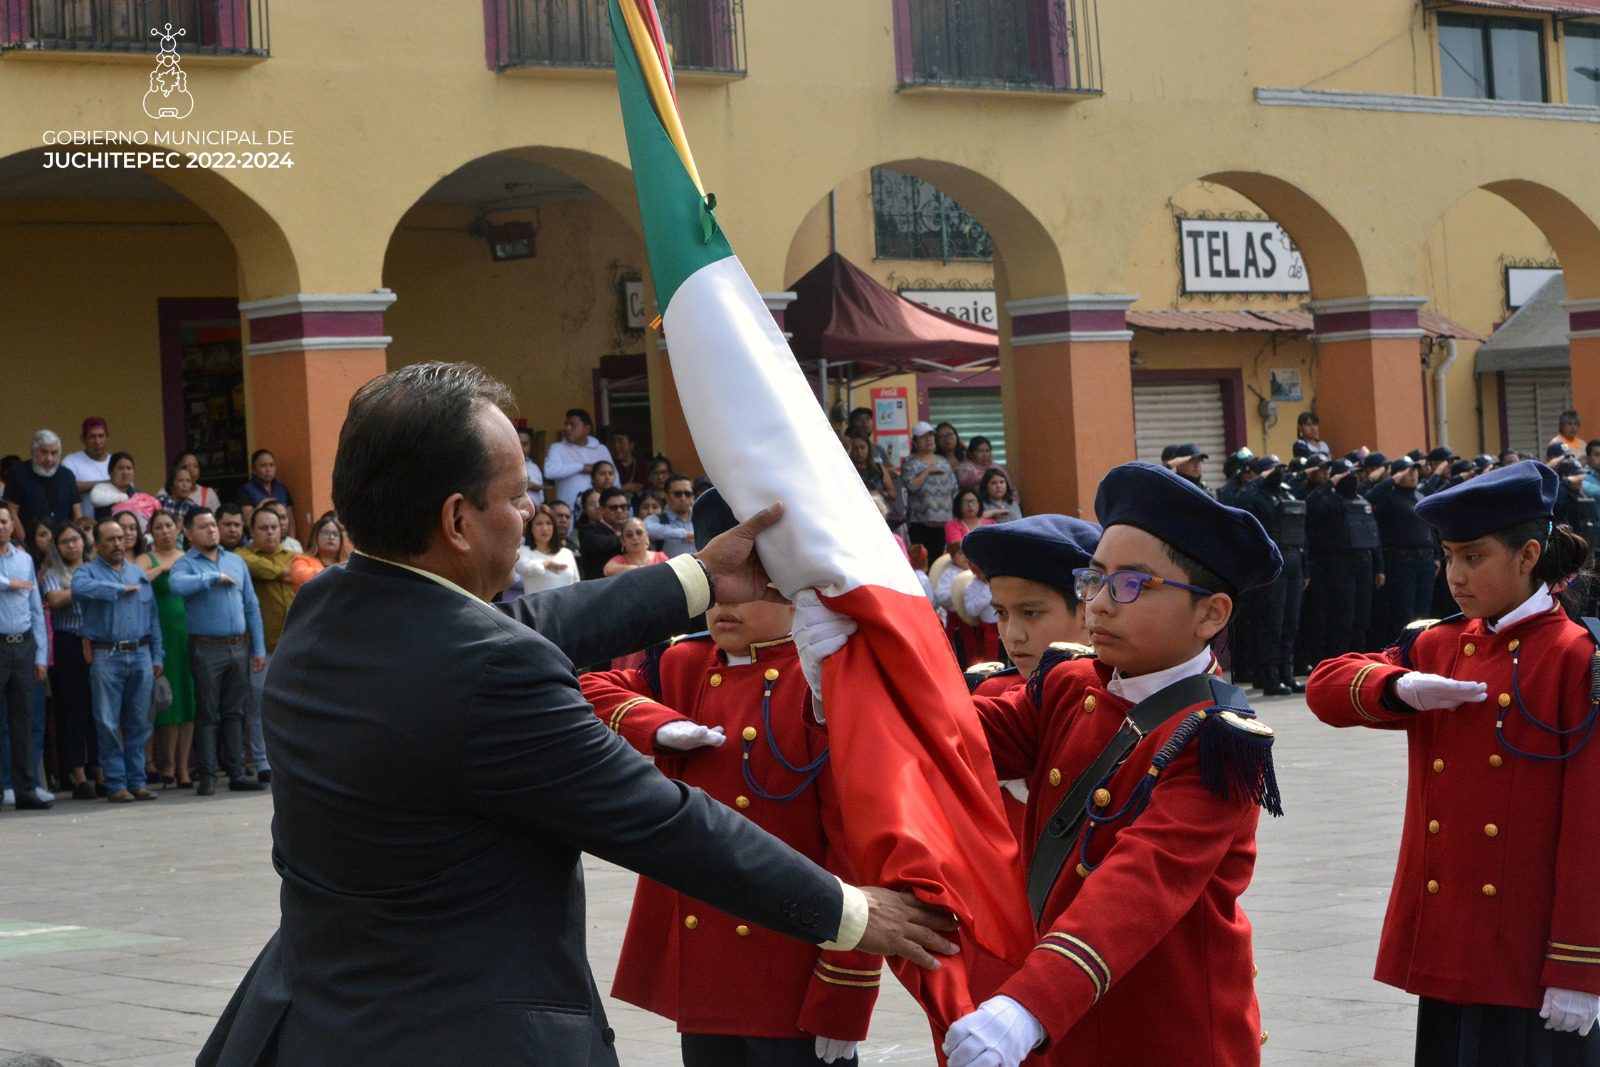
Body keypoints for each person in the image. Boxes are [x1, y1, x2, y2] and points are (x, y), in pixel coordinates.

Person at [197, 361, 958, 1066]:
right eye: (519, 494)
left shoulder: (330, 609)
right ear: (459, 520)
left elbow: (524, 628)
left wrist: (698, 576)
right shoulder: (487, 671)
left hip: (315, 1020)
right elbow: (664, 821)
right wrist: (850, 911)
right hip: (458, 1034)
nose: (533, 510)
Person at [875, 461, 1283, 1066]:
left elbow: (1140, 884)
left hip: (1159, 1029)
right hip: (1062, 1014)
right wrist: (862, 675)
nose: (1099, 604)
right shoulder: (1070, 684)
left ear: (1211, 614)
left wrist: (1029, 1006)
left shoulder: (1215, 739)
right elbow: (955, 738)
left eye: (1132, 585)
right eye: (1094, 579)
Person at [1307, 460, 1600, 1063]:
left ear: (1528, 556)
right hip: (1450, 938)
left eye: (1473, 557)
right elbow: (1325, 687)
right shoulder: (1442, 643)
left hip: (1528, 952)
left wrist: (1582, 963)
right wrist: (1397, 688)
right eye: (1448, 556)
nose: (1455, 576)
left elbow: (1591, 824)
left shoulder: (1576, 656)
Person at [582, 488, 882, 1067]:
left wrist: (846, 988)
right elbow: (589, 687)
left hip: (791, 971)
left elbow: (853, 844)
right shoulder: (686, 664)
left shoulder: (823, 683)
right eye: (715, 585)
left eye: (748, 584)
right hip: (707, 968)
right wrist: (658, 725)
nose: (725, 603)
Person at [169, 508, 266, 797]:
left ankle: (237, 771)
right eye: (203, 526)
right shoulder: (185, 564)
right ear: (189, 533)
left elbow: (251, 605)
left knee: (236, 712)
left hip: (238, 645)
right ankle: (207, 774)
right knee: (208, 713)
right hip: (206, 647)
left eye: (213, 524)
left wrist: (258, 647)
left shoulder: (235, 561)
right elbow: (176, 586)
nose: (211, 530)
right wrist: (211, 578)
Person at [72, 518, 164, 804]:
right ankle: (115, 783)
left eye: (121, 538)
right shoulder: (86, 573)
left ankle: (137, 781)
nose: (117, 543)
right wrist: (119, 590)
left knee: (140, 721)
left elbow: (153, 619)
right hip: (106, 655)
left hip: (140, 654)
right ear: (97, 545)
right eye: (110, 539)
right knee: (108, 722)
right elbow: (79, 590)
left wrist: (157, 655)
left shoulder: (137, 573)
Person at [236, 507, 297, 785]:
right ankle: (262, 761)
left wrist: (286, 570)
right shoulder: (243, 557)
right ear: (252, 531)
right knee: (260, 706)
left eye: (275, 527)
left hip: (295, 645)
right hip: (262, 647)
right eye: (264, 528)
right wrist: (281, 572)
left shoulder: (294, 557)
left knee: (295, 706)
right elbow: (259, 567)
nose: (271, 532)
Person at [1239, 454, 1308, 695]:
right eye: (1272, 469)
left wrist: (1305, 566)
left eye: (1280, 468)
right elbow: (1244, 503)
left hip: (1294, 558)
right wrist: (1260, 479)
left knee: (1290, 621)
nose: (1278, 472)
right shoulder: (1254, 494)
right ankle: (1268, 675)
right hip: (1272, 560)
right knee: (1272, 621)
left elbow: (1299, 528)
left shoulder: (1286, 491)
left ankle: (1286, 673)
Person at [41, 522, 98, 799]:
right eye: (65, 542)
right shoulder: (53, 573)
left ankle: (100, 769)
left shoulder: (95, 566)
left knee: (99, 709)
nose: (72, 545)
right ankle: (78, 774)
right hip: (68, 643)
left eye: (75, 539)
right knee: (74, 709)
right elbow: (54, 599)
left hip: (98, 642)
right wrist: (88, 589)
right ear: (57, 547)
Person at [1307, 458, 1384, 658]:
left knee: (1362, 619)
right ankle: (1341, 661)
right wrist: (1331, 483)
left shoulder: (1361, 501)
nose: (1353, 479)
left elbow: (1374, 536)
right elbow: (1312, 505)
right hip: (1341, 565)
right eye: (1347, 475)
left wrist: (1379, 568)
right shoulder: (1330, 502)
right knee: (1343, 619)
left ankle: (1359, 659)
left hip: (1364, 564)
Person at [142, 511, 197, 789]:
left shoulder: (189, 557)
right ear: (151, 531)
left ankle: (184, 766)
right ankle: (165, 765)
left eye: (168, 526)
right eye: (158, 527)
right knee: (166, 701)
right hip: (161, 634)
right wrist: (161, 570)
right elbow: (136, 580)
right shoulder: (147, 558)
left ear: (178, 528)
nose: (165, 531)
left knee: (188, 701)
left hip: (188, 633)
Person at [0, 506, 49, 810]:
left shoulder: (24, 559)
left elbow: (35, 609)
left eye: (4, 521)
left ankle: (25, 789)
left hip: (24, 645)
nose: (1, 527)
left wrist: (41, 655)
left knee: (23, 721)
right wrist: (9, 584)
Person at [1369, 456, 1437, 648]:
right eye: (1408, 471)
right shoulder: (1388, 497)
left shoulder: (1420, 496)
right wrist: (1391, 480)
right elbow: (1370, 498)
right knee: (1404, 613)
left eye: (1416, 471)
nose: (1414, 474)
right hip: (1401, 561)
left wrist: (1437, 555)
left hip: (1425, 561)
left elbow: (1431, 528)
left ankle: (1422, 649)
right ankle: (1404, 651)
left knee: (1423, 612)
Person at [4, 430, 81, 534]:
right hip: (28, 544)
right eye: (44, 452)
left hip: (62, 544)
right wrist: (24, 545)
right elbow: (12, 512)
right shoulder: (18, 474)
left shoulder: (67, 475)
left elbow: (77, 512)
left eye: (54, 453)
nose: (49, 459)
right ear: (33, 452)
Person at [902, 421, 957, 565]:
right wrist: (927, 471)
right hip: (920, 523)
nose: (928, 440)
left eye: (931, 436)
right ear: (914, 441)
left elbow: (954, 489)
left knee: (941, 562)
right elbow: (911, 486)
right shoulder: (910, 463)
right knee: (921, 562)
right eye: (923, 437)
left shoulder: (943, 461)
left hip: (944, 522)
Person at [544, 407, 615, 507]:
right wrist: (581, 467)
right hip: (568, 510)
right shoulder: (557, 448)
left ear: (587, 428)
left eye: (572, 425)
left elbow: (614, 478)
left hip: (600, 508)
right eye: (566, 424)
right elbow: (549, 472)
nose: (567, 428)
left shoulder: (601, 449)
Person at [514, 505, 578, 595]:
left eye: (549, 523)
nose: (545, 528)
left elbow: (576, 585)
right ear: (531, 528)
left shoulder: (566, 553)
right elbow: (525, 568)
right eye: (539, 524)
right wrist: (546, 564)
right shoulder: (523, 551)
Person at [237, 450, 296, 541]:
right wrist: (263, 504)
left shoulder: (282, 489)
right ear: (254, 469)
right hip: (256, 542)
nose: (268, 469)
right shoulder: (246, 490)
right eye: (263, 466)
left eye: (271, 465)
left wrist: (292, 541)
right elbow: (247, 522)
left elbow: (290, 520)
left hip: (283, 542)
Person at [61, 416, 113, 516]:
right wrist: (107, 483)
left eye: (101, 436)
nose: (97, 441)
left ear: (107, 437)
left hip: (113, 527)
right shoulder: (71, 461)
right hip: (83, 526)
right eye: (92, 437)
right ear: (83, 439)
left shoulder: (116, 461)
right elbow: (69, 487)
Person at [580, 487, 632, 582]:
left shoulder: (633, 530)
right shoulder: (589, 531)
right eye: (613, 508)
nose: (619, 511)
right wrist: (628, 540)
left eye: (624, 507)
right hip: (602, 590)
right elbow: (596, 544)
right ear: (601, 509)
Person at [645, 473, 698, 558]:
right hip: (670, 570)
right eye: (678, 494)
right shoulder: (658, 519)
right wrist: (682, 534)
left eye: (687, 493)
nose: (683, 498)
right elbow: (646, 529)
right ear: (666, 496)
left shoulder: (700, 517)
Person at [289, 514, 347, 591]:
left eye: (335, 534)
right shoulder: (302, 559)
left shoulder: (347, 563)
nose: (331, 537)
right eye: (326, 533)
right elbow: (300, 577)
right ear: (315, 536)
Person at [604, 517, 668, 576]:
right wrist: (640, 569)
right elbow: (607, 570)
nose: (635, 537)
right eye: (629, 535)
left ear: (647, 537)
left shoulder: (660, 557)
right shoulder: (619, 560)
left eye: (639, 533)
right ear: (623, 541)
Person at [156, 461, 200, 527]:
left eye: (188, 481)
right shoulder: (161, 502)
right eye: (181, 480)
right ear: (171, 484)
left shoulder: (193, 508)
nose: (185, 485)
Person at [515, 424, 545, 506]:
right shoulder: (501, 466)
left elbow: (541, 499)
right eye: (518, 443)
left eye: (525, 444)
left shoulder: (535, 468)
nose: (521, 447)